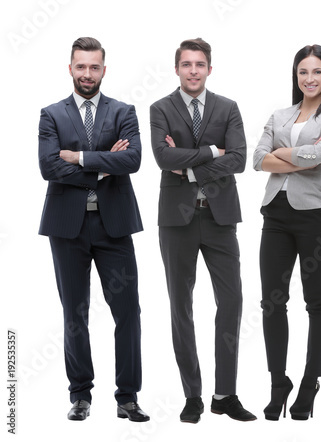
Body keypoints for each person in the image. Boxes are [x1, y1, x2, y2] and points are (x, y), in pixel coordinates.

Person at [38, 37, 148, 422]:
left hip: (114, 225)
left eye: (94, 67)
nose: (87, 74)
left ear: (104, 70)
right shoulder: (52, 115)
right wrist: (103, 167)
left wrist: (80, 157)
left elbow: (132, 160)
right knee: (75, 312)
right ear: (70, 68)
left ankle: (127, 397)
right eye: (81, 66)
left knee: (128, 311)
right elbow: (49, 167)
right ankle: (80, 395)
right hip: (66, 227)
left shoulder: (123, 112)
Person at [149, 37, 255, 423]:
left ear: (210, 68)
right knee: (181, 306)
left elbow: (239, 159)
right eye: (186, 64)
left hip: (219, 218)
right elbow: (163, 157)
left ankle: (224, 394)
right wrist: (213, 152)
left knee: (232, 302)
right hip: (175, 221)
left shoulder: (228, 108)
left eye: (199, 64)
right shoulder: (160, 108)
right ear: (177, 68)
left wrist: (190, 168)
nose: (193, 71)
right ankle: (192, 395)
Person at [252, 44, 321, 421]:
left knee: (317, 301)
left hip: (315, 216)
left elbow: (320, 156)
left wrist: (282, 155)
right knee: (271, 302)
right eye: (303, 72)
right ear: (296, 76)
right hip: (276, 215)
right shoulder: (279, 114)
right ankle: (279, 383)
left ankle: (310, 382)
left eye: (317, 72)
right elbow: (257, 159)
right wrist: (302, 157)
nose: (309, 79)